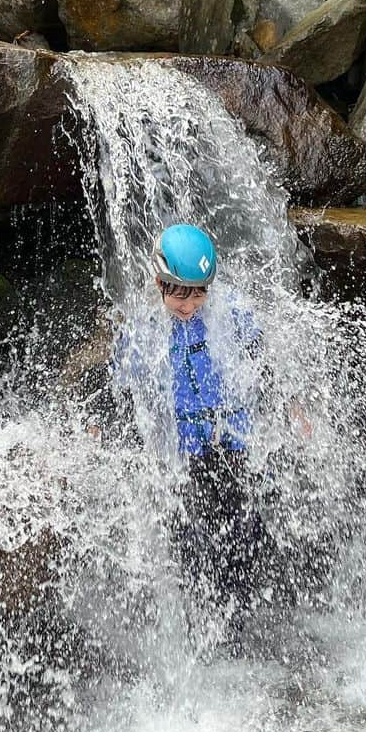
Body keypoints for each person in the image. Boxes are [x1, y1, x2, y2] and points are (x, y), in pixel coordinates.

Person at [111, 224, 287, 620]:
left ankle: (240, 612)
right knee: (191, 538)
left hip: (231, 438)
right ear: (159, 282)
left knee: (244, 528)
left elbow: (261, 364)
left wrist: (289, 407)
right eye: (178, 293)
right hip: (183, 448)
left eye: (198, 293)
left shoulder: (231, 314)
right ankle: (204, 619)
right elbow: (124, 387)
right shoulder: (145, 330)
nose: (189, 305)